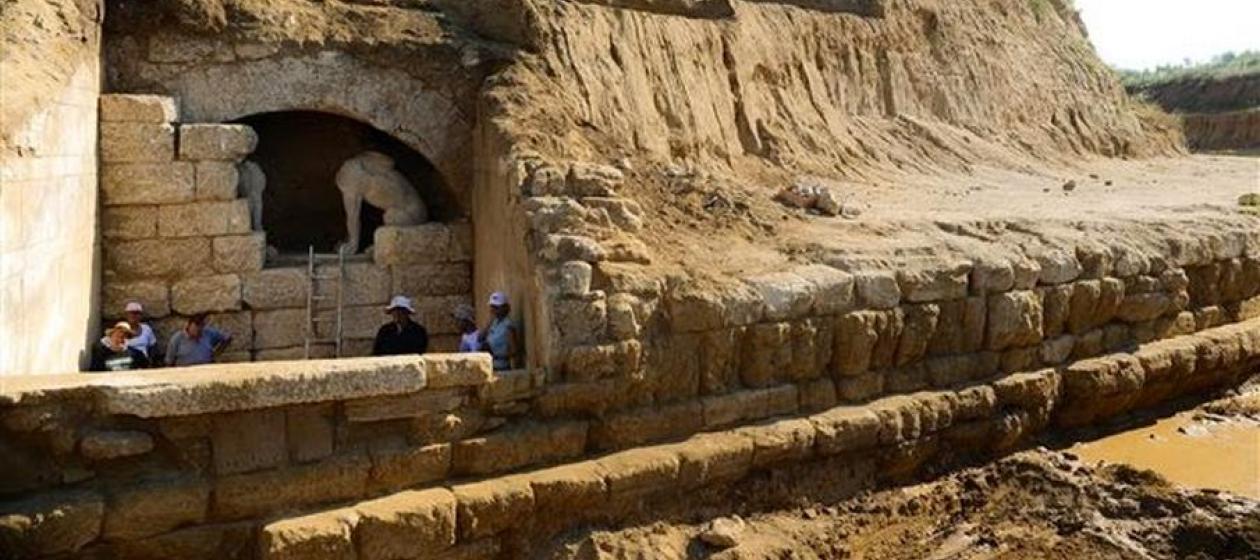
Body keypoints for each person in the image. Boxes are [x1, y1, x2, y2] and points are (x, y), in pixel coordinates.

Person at [166, 313, 232, 367]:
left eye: (201, 326)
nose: (199, 329)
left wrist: (217, 353)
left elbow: (227, 338)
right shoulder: (177, 338)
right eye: (196, 325)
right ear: (189, 325)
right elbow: (169, 361)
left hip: (206, 369)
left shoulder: (208, 333)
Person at [479, 291, 520, 371]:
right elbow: (480, 338)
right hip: (490, 365)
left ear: (504, 308)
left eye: (496, 307)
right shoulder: (494, 322)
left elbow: (514, 351)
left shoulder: (508, 326)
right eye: (492, 307)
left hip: (501, 366)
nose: (494, 310)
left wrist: (496, 354)